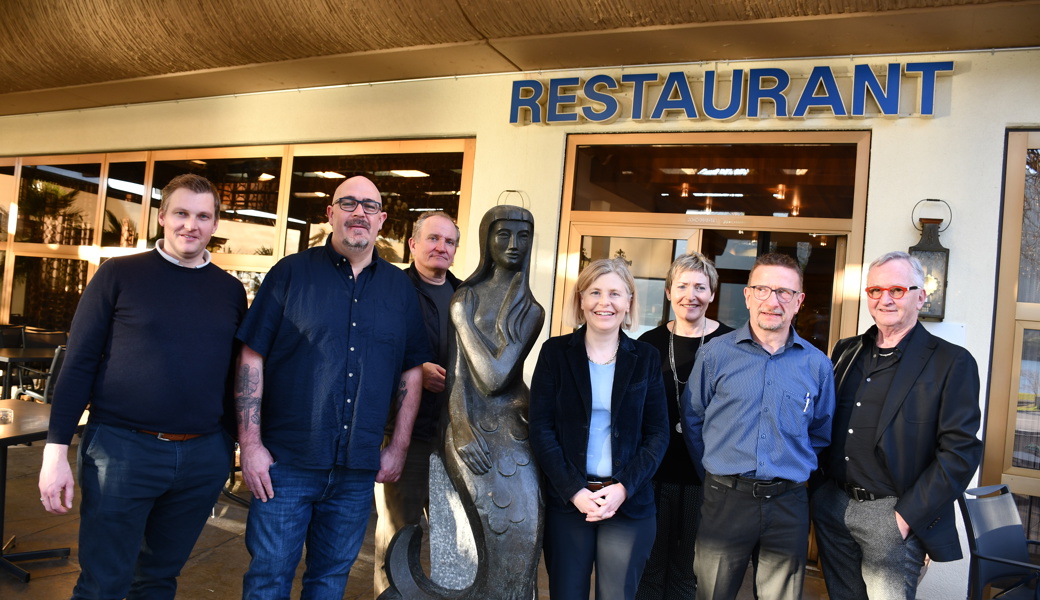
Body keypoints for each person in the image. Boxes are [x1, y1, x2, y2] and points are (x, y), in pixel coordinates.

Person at [38, 173, 247, 600]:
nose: (192, 225)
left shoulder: (229, 290)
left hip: (201, 456)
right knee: (103, 583)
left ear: (215, 223)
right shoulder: (119, 274)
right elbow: (78, 364)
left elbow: (232, 375)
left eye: (203, 216)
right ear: (162, 217)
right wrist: (55, 450)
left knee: (157, 580)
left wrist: (227, 445)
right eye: (182, 213)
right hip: (121, 451)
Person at [234, 175, 429, 599]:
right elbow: (252, 357)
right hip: (285, 466)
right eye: (348, 203)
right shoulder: (290, 274)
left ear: (382, 220)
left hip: (357, 471)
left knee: (329, 582)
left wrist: (397, 447)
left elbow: (411, 371)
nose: (359, 212)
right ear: (330, 214)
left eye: (369, 206)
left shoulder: (399, 289)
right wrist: (250, 445)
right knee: (268, 578)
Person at [811, 251, 983, 600]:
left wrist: (904, 518)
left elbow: (960, 452)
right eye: (874, 290)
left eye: (897, 290)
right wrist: (818, 493)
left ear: (921, 296)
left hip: (892, 513)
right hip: (834, 505)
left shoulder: (951, 362)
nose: (884, 299)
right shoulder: (846, 351)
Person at [681, 252, 835, 600]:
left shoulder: (817, 365)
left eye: (784, 292)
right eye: (763, 289)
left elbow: (821, 433)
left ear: (799, 302)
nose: (773, 301)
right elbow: (693, 421)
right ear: (748, 295)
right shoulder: (714, 355)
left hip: (788, 505)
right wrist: (717, 474)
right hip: (725, 501)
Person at [530, 257, 669, 600]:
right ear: (580, 299)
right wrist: (575, 492)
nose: (604, 302)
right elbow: (541, 429)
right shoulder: (555, 354)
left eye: (615, 294)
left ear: (629, 302)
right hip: (569, 503)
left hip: (628, 504)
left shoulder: (647, 358)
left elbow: (657, 434)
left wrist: (624, 488)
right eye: (594, 292)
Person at [636, 252, 733, 600]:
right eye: (682, 286)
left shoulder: (733, 345)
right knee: (649, 566)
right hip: (654, 475)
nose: (690, 295)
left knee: (689, 570)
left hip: (706, 479)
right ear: (668, 292)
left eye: (700, 287)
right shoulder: (647, 344)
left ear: (712, 293)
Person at [374, 211, 462, 595]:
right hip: (404, 438)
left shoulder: (465, 297)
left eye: (449, 241)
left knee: (454, 546)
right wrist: (412, 371)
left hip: (453, 441)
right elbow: (368, 355)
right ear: (413, 244)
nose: (441, 247)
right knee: (397, 541)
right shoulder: (389, 289)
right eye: (433, 238)